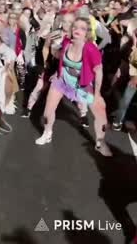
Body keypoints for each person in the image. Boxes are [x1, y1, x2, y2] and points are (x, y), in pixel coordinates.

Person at [35, 17, 112, 157]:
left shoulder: (91, 49)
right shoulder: (66, 42)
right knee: (47, 111)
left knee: (100, 113)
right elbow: (59, 55)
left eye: (82, 28)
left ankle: (101, 143)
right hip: (62, 81)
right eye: (75, 27)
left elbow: (98, 72)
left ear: (87, 32)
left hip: (81, 85)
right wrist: (54, 58)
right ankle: (47, 133)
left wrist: (98, 93)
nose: (77, 30)